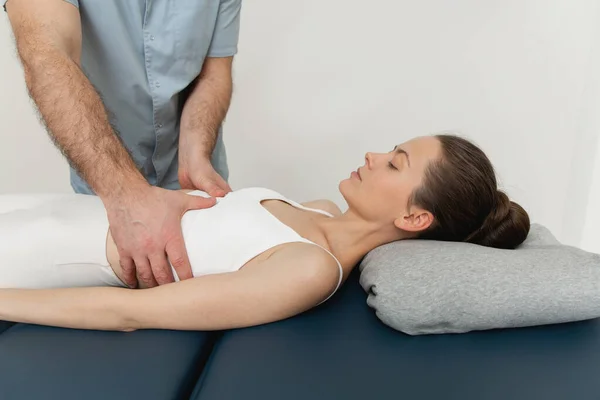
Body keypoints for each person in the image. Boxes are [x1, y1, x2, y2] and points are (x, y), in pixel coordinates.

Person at [0, 134, 531, 332]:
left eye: (395, 164)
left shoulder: (309, 268)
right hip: (65, 207)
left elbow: (130, 313)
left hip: (46, 254)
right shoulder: (316, 208)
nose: (372, 155)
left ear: (415, 219)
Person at [3, 0, 242, 289]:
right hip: (108, 190)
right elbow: (46, 58)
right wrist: (126, 197)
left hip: (195, 190)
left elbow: (213, 73)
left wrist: (196, 151)